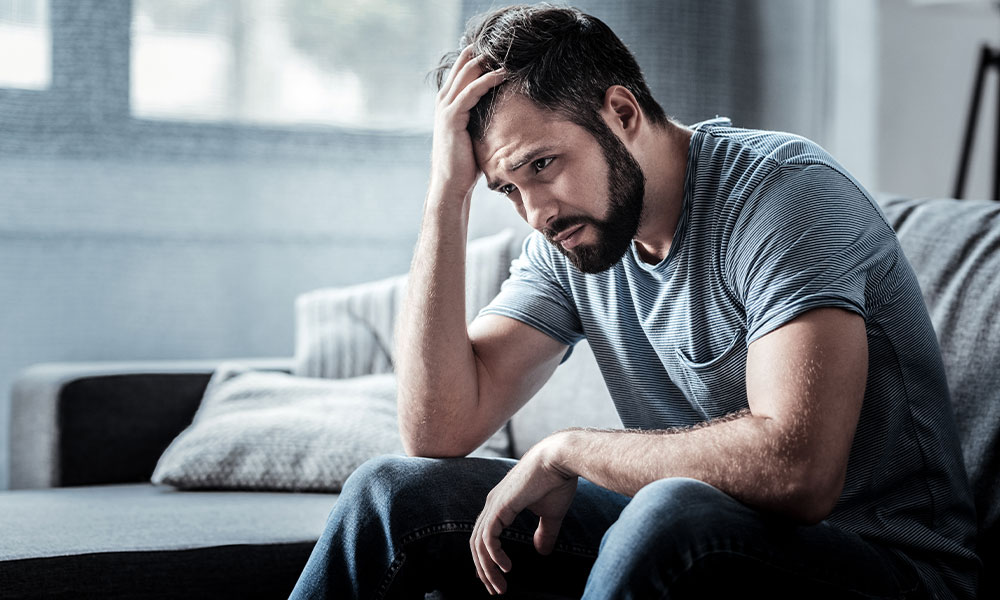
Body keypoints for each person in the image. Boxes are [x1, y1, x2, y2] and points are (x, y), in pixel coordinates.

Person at [289, 4, 979, 599]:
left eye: (542, 165)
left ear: (621, 112)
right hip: (701, 539)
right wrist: (448, 193)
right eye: (509, 189)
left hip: (892, 568)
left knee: (671, 510)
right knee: (392, 494)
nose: (535, 213)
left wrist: (570, 451)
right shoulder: (572, 238)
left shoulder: (783, 194)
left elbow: (798, 471)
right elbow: (437, 431)